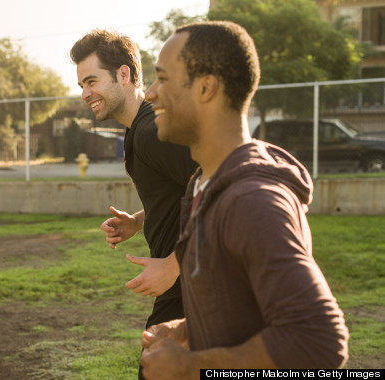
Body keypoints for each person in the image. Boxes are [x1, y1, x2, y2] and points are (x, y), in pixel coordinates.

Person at [140, 21, 349, 378]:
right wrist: (190, 329)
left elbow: (319, 339)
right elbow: (245, 304)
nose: (149, 93)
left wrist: (194, 367)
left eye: (162, 78)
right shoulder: (204, 185)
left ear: (206, 87)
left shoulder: (251, 200)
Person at [70, 30, 198, 379]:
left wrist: (176, 262)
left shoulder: (152, 130)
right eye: (82, 84)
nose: (85, 93)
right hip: (190, 284)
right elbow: (189, 189)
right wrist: (142, 219)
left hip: (194, 285)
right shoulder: (139, 129)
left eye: (92, 80)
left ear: (124, 75)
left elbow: (223, 185)